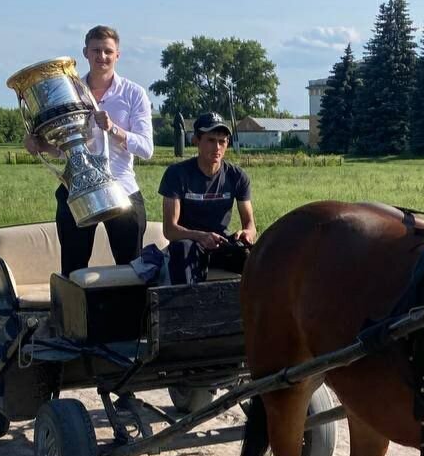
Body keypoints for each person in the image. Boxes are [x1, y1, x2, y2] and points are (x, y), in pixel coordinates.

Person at [24, 25, 153, 276]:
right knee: (73, 271)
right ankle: (75, 315)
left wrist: (114, 129)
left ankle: (130, 317)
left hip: (122, 188)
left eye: (108, 51)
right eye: (96, 50)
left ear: (118, 55)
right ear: (85, 53)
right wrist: (41, 146)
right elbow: (65, 149)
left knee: (133, 271)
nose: (102, 57)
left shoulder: (134, 94)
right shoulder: (67, 91)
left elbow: (146, 148)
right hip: (76, 188)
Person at [158, 112, 256, 284]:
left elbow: (250, 225)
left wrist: (246, 233)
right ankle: (187, 306)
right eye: (211, 140)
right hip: (189, 243)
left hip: (221, 243)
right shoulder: (177, 174)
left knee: (254, 257)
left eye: (222, 141)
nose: (217, 147)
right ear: (196, 140)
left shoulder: (237, 176)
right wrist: (201, 236)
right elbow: (170, 230)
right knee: (182, 248)